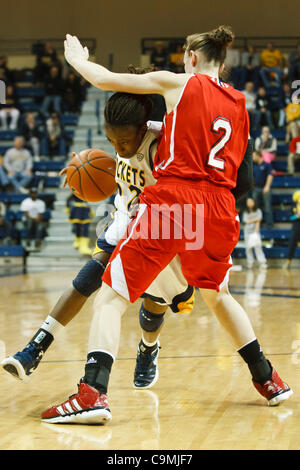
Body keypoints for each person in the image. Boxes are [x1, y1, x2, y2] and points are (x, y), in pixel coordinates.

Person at [5, 28, 293, 424]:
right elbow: (240, 172)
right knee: (219, 296)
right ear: (222, 63)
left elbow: (104, 79)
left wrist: (76, 59)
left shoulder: (178, 83)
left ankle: (91, 394)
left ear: (191, 57)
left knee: (110, 295)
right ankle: (268, 379)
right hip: (221, 208)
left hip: (179, 201)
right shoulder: (239, 102)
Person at [1, 92, 196, 395]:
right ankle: (35, 348)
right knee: (89, 275)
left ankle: (148, 349)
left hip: (158, 231)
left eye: (124, 142)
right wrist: (81, 168)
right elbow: (106, 167)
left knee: (153, 304)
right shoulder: (123, 135)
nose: (119, 148)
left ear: (143, 129)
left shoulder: (162, 145)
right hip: (124, 219)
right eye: (111, 142)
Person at [243, 197, 267, 269]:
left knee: (258, 247)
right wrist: (255, 219)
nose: (249, 203)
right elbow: (246, 221)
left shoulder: (258, 211)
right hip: (247, 232)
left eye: (251, 201)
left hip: (255, 231)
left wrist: (256, 230)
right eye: (248, 202)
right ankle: (250, 263)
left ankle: (262, 263)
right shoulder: (245, 212)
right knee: (248, 248)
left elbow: (259, 220)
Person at [252, 150, 274, 228]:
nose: (252, 158)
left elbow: (270, 175)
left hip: (265, 188)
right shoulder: (254, 166)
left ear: (258, 155)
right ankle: (257, 224)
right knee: (256, 207)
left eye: (254, 156)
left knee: (267, 207)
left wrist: (267, 186)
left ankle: (270, 225)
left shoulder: (267, 165)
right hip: (256, 188)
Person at [283, 190, 300, 269]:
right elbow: (290, 218)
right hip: (296, 228)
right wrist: (297, 216)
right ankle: (288, 261)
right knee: (292, 244)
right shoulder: (293, 206)